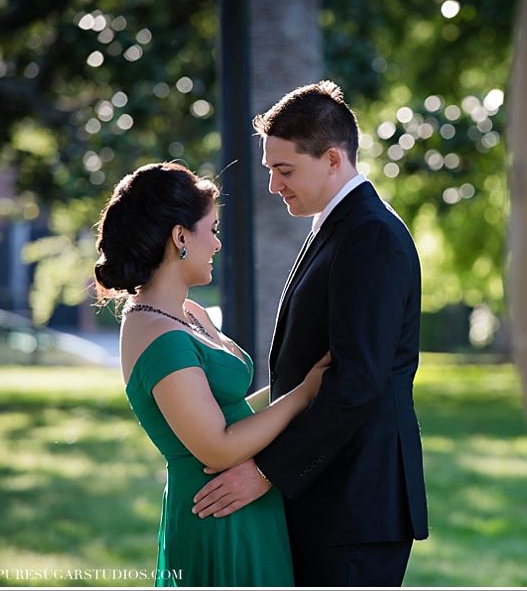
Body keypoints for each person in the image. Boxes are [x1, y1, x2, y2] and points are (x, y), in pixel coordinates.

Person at [192, 81, 429, 586]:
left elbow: (356, 381)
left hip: (355, 503)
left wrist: (266, 471)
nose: (275, 186)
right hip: (332, 496)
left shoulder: (369, 236)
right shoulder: (339, 225)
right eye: (270, 170)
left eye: (285, 170)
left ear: (332, 159)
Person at [93, 162, 329, 586]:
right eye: (212, 229)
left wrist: (294, 385)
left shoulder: (189, 314)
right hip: (218, 517)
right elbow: (218, 448)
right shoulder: (154, 332)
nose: (218, 244)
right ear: (180, 237)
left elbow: (231, 411)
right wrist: (304, 393)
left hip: (248, 507)